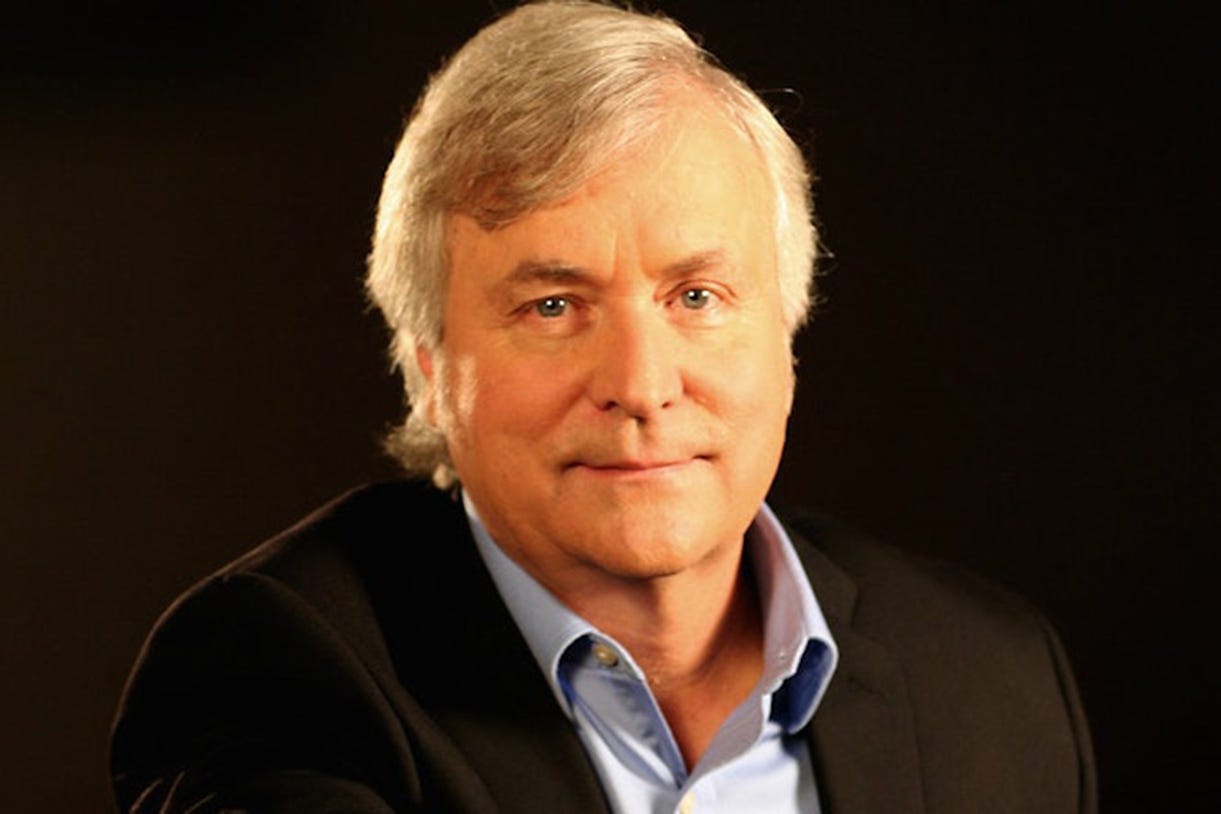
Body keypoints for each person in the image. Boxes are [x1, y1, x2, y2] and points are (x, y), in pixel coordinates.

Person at [110, 2, 1097, 812]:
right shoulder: (279, 673)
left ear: (788, 334)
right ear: (429, 363)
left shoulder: (989, 676)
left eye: (697, 298)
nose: (640, 383)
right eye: (552, 306)